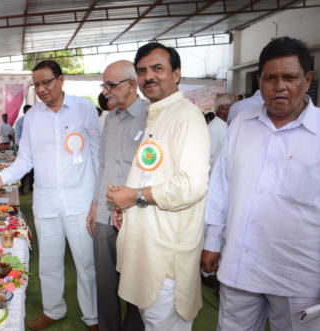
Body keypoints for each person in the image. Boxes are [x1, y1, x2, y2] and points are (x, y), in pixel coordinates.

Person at [202, 36, 320, 331]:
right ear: (259, 81)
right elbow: (221, 187)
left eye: (290, 77)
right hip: (242, 264)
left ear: (307, 80)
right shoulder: (242, 123)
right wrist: (212, 242)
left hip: (300, 275)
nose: (279, 86)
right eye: (270, 78)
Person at [0, 60, 100, 330]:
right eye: (36, 84)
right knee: (48, 260)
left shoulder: (84, 109)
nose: (41, 89)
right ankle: (53, 309)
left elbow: (98, 155)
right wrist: (1, 178)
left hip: (80, 201)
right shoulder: (32, 118)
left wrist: (97, 201)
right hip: (46, 202)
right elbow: (25, 158)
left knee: (86, 263)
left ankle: (92, 316)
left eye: (46, 82)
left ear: (60, 80)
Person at [106, 42, 210, 330]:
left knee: (162, 321)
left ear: (176, 74)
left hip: (166, 252)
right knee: (152, 320)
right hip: (146, 244)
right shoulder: (157, 113)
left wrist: (135, 197)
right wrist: (125, 205)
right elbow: (153, 173)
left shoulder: (186, 116)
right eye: (142, 71)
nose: (148, 76)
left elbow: (190, 186)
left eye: (157, 68)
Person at [87, 60, 148, 331]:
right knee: (105, 282)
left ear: (132, 85)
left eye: (111, 85)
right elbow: (103, 165)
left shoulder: (151, 116)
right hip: (104, 213)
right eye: (104, 85)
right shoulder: (109, 119)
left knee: (136, 282)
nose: (106, 91)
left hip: (136, 214)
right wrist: (95, 204)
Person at [208, 93, 237, 168]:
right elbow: (209, 158)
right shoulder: (214, 128)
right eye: (234, 107)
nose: (237, 110)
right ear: (222, 109)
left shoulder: (227, 124)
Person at [14, 104, 34, 194]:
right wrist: (21, 147)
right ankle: (21, 188)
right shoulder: (20, 122)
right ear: (25, 111)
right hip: (24, 149)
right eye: (29, 110)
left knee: (33, 170)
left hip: (34, 149)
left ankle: (31, 187)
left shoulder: (36, 121)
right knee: (23, 169)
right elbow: (17, 137)